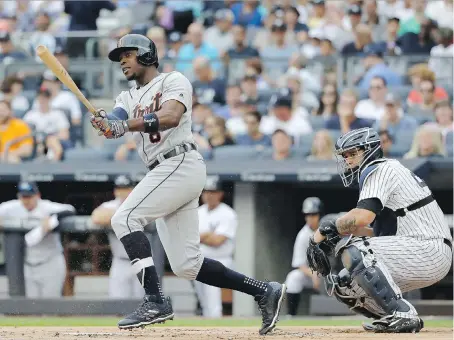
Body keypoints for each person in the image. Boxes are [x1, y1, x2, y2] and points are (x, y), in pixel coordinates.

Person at [90, 34, 286, 335]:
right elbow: (117, 118)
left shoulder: (173, 80)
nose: (122, 62)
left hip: (179, 161)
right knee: (186, 266)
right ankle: (264, 291)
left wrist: (124, 125)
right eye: (119, 58)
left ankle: (154, 300)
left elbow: (170, 116)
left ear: (145, 55)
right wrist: (107, 123)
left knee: (126, 218)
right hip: (161, 170)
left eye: (127, 55)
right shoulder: (126, 97)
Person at [308, 127, 452, 333]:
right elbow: (375, 232)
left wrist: (322, 232)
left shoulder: (379, 168)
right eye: (345, 155)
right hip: (419, 249)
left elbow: (361, 217)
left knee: (357, 251)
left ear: (370, 150)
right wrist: (339, 233)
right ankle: (391, 317)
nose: (348, 159)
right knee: (344, 283)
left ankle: (404, 313)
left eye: (353, 153)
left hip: (429, 248)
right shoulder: (385, 171)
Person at [91, 175, 165, 299]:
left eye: (126, 188)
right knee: (117, 302)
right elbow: (96, 218)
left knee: (143, 303)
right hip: (120, 262)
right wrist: (125, 216)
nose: (122, 192)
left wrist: (114, 218)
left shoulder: (143, 203)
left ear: (133, 190)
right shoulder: (110, 205)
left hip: (142, 261)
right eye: (119, 188)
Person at [0, 181, 75, 298]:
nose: (26, 200)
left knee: (51, 306)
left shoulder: (46, 206)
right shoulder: (13, 207)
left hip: (50, 262)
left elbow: (70, 210)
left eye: (29, 197)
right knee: (31, 308)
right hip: (28, 264)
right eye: (23, 197)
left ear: (37, 196)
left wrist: (52, 218)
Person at [194, 178, 238, 318]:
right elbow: (188, 238)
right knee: (203, 300)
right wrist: (207, 235)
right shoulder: (198, 212)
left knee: (213, 299)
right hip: (199, 260)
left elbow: (217, 241)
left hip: (220, 260)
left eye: (213, 192)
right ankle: (208, 328)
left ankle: (216, 325)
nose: (209, 195)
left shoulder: (228, 213)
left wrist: (200, 236)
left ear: (220, 194)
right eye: (206, 191)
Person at [285, 197, 323, 316]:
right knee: (293, 278)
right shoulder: (303, 235)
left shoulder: (330, 229)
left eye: (313, 214)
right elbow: (299, 264)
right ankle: (291, 316)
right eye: (307, 214)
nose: (310, 218)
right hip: (313, 274)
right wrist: (314, 275)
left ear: (320, 214)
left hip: (333, 272)